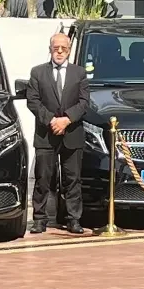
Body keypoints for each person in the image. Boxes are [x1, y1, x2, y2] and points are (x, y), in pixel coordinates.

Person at [26, 33, 90, 235]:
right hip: (46, 134)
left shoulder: (79, 73)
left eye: (63, 48)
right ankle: (39, 219)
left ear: (69, 50)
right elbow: (33, 101)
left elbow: (84, 102)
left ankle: (73, 219)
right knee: (43, 178)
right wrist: (52, 120)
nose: (59, 51)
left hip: (72, 134)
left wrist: (67, 119)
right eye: (56, 48)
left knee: (72, 179)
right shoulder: (38, 72)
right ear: (50, 49)